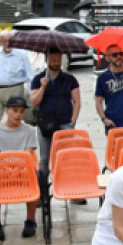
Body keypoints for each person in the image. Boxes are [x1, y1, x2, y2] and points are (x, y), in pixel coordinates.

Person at [0, 95, 42, 240]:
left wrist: (16, 166)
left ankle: (31, 220)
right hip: (1, 171)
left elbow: (28, 154)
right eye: (15, 111)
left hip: (23, 169)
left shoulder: (29, 130)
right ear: (6, 111)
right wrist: (9, 167)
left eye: (21, 111)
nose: (18, 115)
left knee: (34, 177)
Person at [29, 48, 81, 177]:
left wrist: (73, 120)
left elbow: (77, 101)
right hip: (45, 123)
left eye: (59, 60)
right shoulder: (38, 79)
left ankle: (66, 182)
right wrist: (43, 87)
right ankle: (43, 185)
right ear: (46, 60)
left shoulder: (69, 79)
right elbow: (34, 102)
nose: (57, 63)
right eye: (53, 60)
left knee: (66, 156)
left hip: (65, 123)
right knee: (45, 158)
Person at [0, 29, 37, 129]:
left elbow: (30, 75)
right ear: (0, 42)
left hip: (14, 89)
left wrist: (31, 92)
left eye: (10, 40)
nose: (8, 43)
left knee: (14, 118)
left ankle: (13, 136)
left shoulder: (21, 54)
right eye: (5, 41)